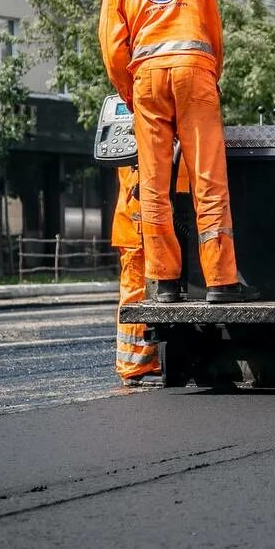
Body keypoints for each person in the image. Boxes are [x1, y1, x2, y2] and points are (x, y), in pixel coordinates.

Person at [98, 0, 257, 304]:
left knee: (153, 183)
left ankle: (164, 283)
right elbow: (213, 33)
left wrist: (132, 97)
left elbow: (114, 51)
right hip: (194, 72)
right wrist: (208, 77)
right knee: (208, 178)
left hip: (146, 80)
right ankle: (220, 282)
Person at [111, 165, 162, 385]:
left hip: (144, 227)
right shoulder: (141, 136)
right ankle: (134, 367)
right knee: (137, 296)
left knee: (148, 296)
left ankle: (148, 362)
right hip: (137, 229)